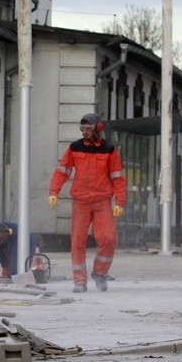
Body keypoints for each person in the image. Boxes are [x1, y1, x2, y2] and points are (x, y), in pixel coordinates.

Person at [48, 112, 126, 293]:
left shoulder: (109, 149)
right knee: (77, 241)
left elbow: (117, 178)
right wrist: (54, 192)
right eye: (82, 129)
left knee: (108, 238)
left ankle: (100, 272)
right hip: (81, 201)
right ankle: (79, 281)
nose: (85, 132)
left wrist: (119, 202)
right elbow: (62, 171)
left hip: (101, 201)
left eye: (88, 129)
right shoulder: (75, 147)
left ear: (98, 128)